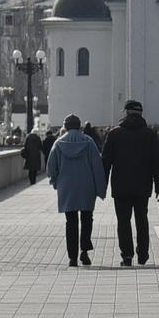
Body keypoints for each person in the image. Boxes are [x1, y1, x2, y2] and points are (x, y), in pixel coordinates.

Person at [102, 100, 159, 267]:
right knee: (142, 220)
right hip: (142, 185)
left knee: (123, 222)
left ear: (125, 112)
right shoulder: (150, 134)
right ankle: (143, 254)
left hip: (121, 186)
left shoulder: (115, 134)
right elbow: (157, 162)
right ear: (141, 113)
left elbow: (106, 162)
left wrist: (101, 185)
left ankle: (127, 255)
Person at [47, 114, 105, 268]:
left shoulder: (59, 143)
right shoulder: (89, 142)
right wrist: (100, 188)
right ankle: (84, 251)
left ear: (65, 126)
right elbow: (97, 166)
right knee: (87, 218)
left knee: (70, 221)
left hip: (67, 187)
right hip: (87, 186)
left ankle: (72, 257)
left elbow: (51, 166)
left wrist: (55, 181)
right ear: (79, 126)